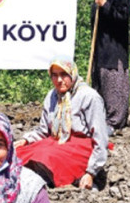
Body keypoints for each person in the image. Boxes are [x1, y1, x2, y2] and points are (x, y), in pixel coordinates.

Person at [15, 58, 108, 190]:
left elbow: (100, 137)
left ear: (72, 74)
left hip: (82, 146)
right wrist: (26, 140)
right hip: (57, 141)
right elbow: (43, 130)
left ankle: (76, 180)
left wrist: (91, 172)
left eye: (64, 74)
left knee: (45, 156)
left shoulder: (89, 97)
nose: (59, 80)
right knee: (19, 153)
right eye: (54, 75)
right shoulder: (52, 96)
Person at [89, 0, 130, 134]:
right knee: (100, 82)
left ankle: (115, 121)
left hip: (114, 49)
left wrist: (105, 5)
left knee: (113, 82)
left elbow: (121, 19)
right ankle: (100, 118)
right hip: (101, 47)